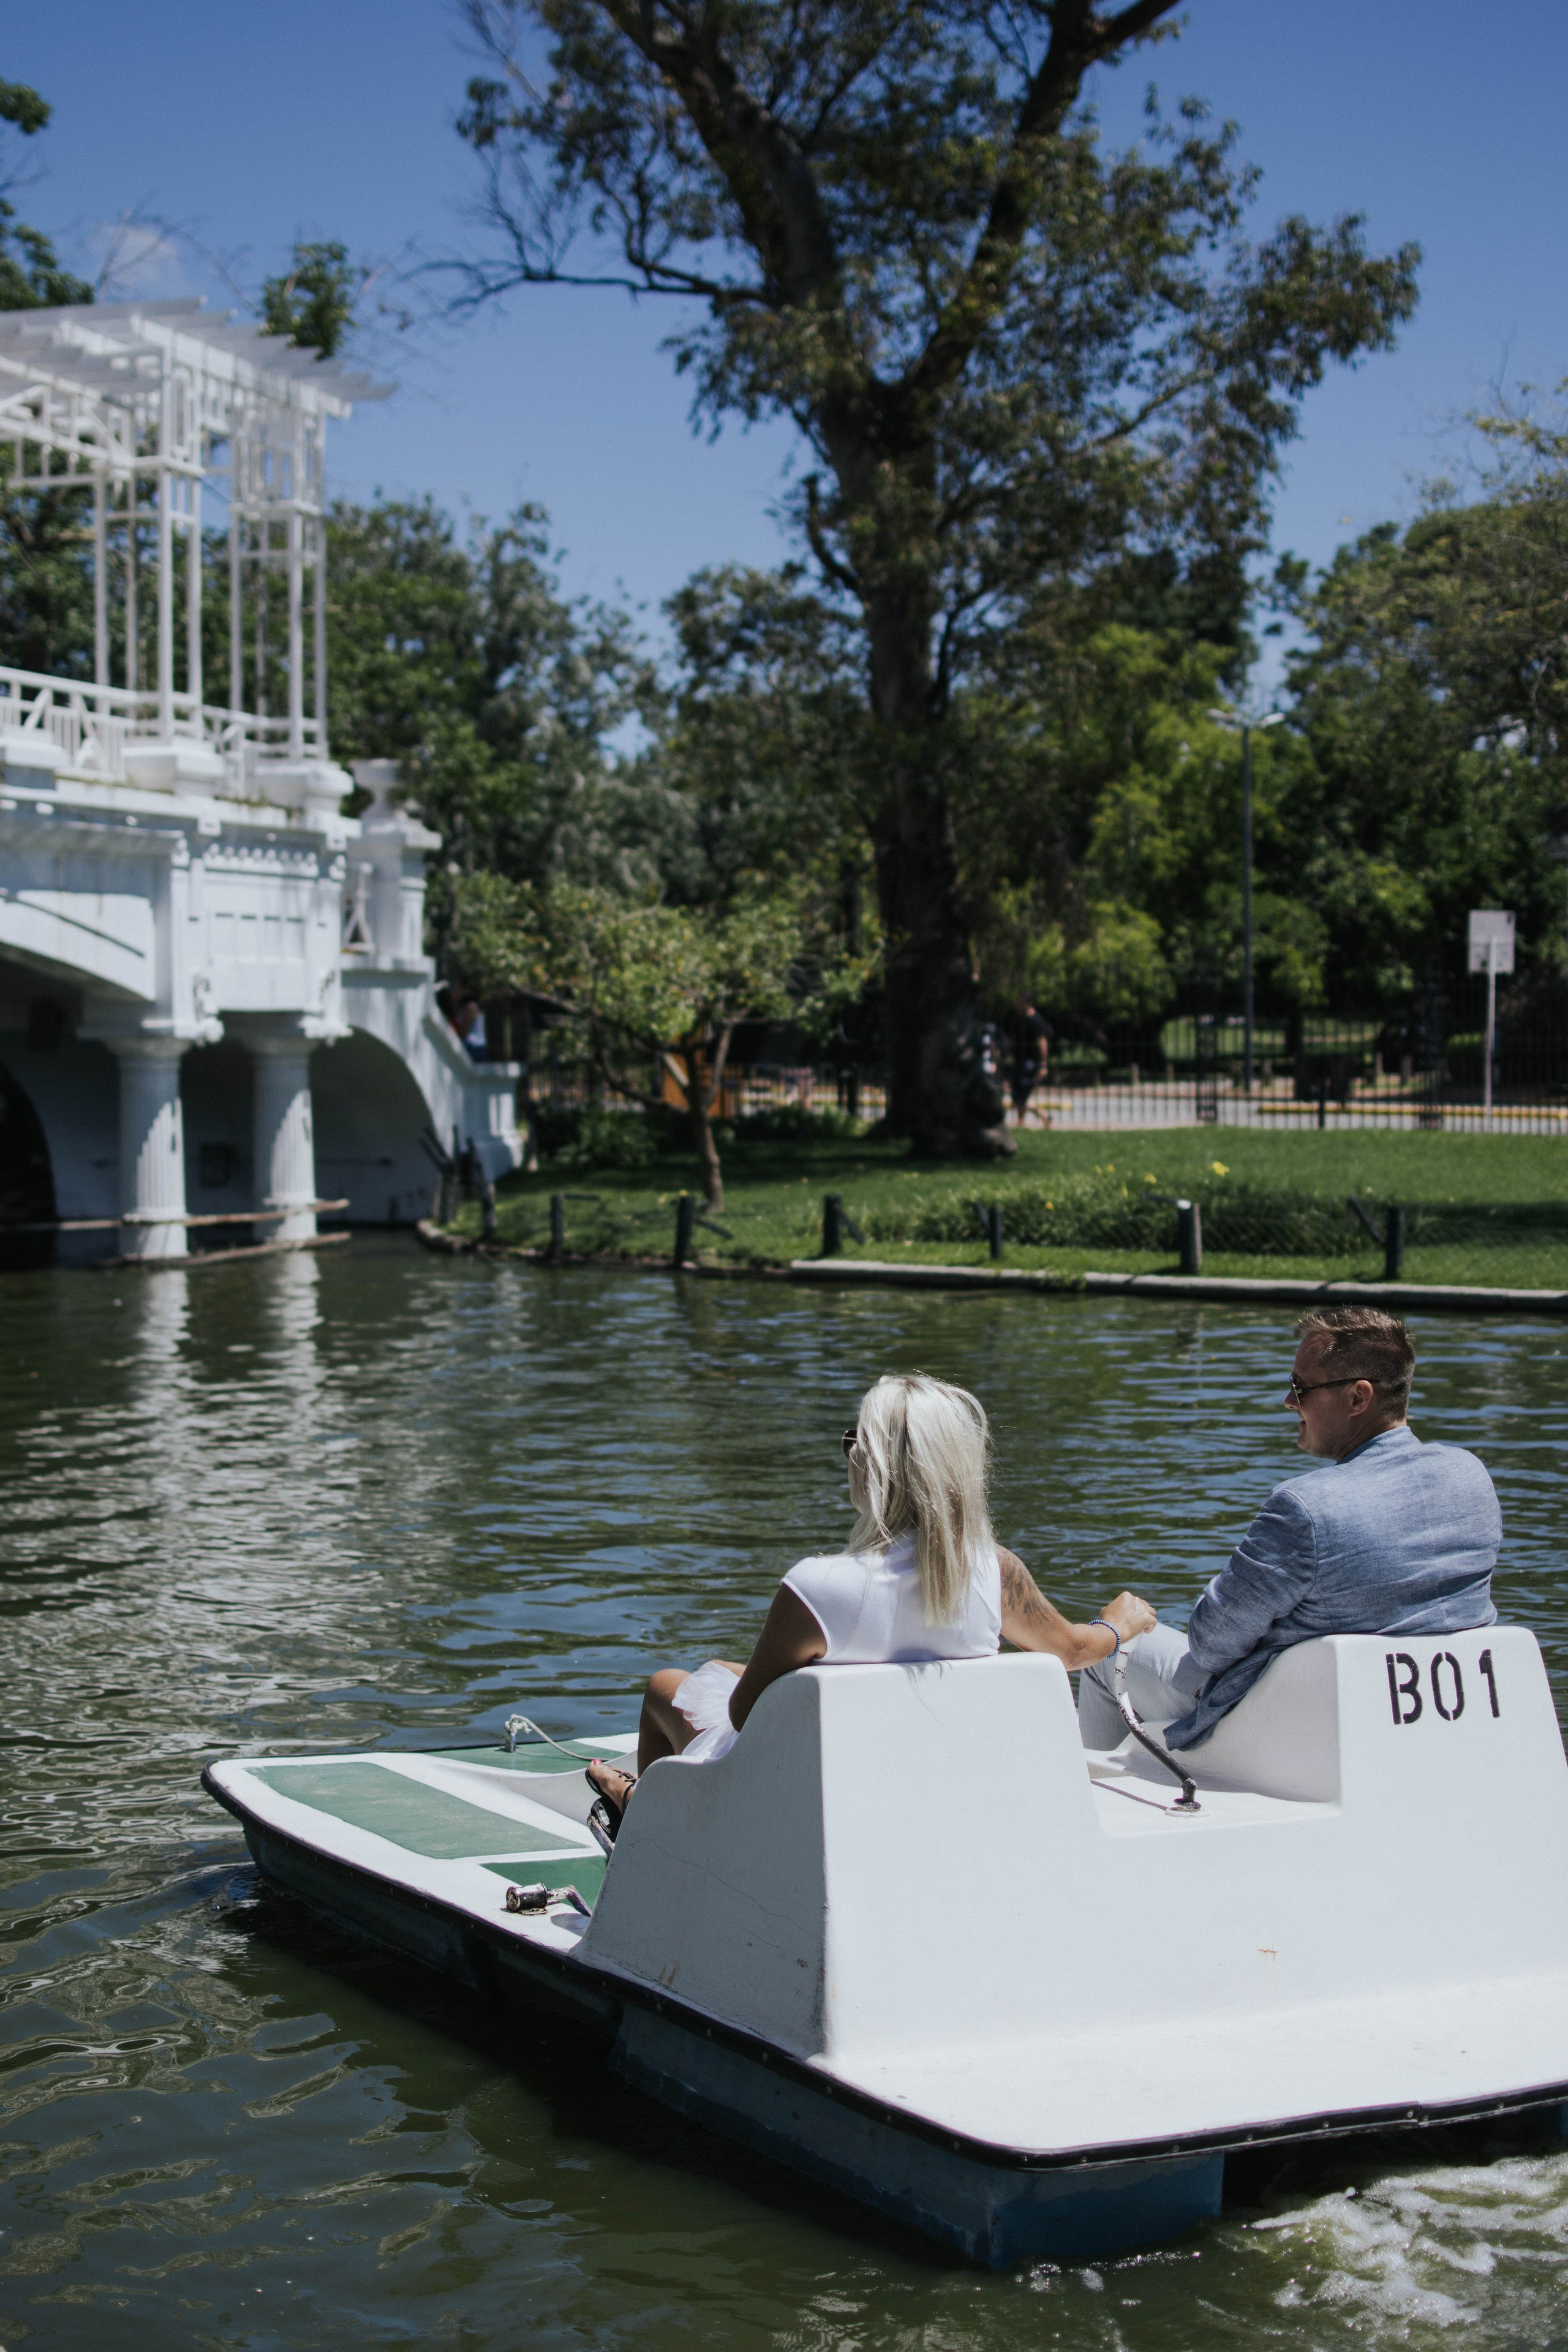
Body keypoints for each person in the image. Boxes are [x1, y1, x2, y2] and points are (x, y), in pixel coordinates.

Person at [586, 1372, 1152, 1838]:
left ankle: (648, 1830)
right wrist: (1117, 1624)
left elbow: (745, 1718)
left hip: (801, 1797)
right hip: (923, 1790)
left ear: (876, 1466)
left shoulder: (817, 1588)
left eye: (853, 1443)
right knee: (717, 1672)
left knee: (667, 1683)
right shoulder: (992, 1572)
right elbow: (1075, 1650)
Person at [1077, 1306, 1501, 1754]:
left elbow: (1211, 1645)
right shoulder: (1472, 1479)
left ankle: (1094, 1805)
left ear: (1359, 1398)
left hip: (1298, 1722)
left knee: (1111, 1648)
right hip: (1429, 1714)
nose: (1289, 1402)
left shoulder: (1305, 1509)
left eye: (1301, 1387)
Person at [1006, 998, 1053, 1125]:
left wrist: (1043, 1064)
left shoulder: (1036, 1021)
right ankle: (1027, 1120)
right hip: (1019, 1061)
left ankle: (1028, 1119)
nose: (1018, 1006)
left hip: (1030, 1062)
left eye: (1021, 1003)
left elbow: (1042, 1043)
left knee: (1022, 1095)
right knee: (1018, 1095)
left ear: (1029, 1003)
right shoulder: (1020, 1020)